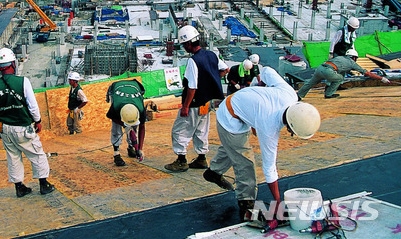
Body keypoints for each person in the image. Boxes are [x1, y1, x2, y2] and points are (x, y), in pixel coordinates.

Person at [203, 67, 321, 225]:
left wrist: (255, 87)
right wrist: (278, 203)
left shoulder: (290, 94)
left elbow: (266, 71)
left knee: (232, 147)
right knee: (245, 161)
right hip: (229, 115)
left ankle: (213, 172)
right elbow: (269, 168)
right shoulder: (269, 128)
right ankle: (246, 203)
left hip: (241, 104)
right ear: (291, 127)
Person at [0, 47, 55, 197]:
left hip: (5, 129)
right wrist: (37, 120)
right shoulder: (23, 82)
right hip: (23, 127)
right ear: (12, 64)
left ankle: (19, 187)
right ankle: (44, 184)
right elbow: (32, 105)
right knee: (37, 154)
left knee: (13, 158)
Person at [165, 25, 229, 172]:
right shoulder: (211, 55)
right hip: (206, 103)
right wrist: (210, 81)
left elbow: (192, 87)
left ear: (188, 44)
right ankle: (201, 158)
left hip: (194, 103)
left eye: (183, 45)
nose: (183, 48)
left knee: (179, 131)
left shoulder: (193, 61)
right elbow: (225, 69)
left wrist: (186, 106)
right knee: (201, 130)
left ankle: (181, 160)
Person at [298, 48, 390, 99]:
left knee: (311, 83)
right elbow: (367, 73)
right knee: (340, 78)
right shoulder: (351, 62)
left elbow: (338, 68)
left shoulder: (340, 58)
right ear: (354, 58)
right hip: (329, 71)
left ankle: (299, 95)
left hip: (320, 68)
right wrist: (382, 79)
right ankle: (329, 94)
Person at [105, 79, 146, 166]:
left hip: (134, 89)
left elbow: (142, 127)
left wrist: (140, 149)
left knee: (134, 127)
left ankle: (131, 147)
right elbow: (110, 116)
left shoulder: (141, 109)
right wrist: (124, 125)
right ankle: (116, 154)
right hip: (117, 89)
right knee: (116, 128)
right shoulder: (116, 107)